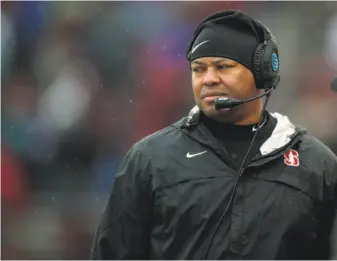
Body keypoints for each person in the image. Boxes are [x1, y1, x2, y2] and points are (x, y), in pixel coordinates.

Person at [90, 10, 337, 260]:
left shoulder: (316, 164)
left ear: (262, 73)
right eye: (199, 69)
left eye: (223, 67)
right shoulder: (150, 160)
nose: (208, 79)